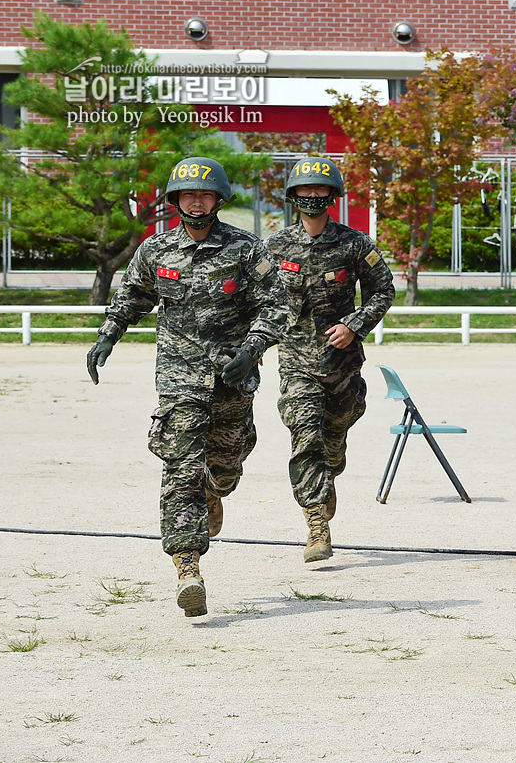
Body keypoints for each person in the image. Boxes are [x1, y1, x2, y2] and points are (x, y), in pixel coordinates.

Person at [86, 156, 286, 618]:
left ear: (218, 199)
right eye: (187, 195)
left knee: (225, 466)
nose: (196, 202)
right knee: (179, 469)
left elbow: (276, 305)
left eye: (205, 195)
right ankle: (187, 567)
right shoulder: (156, 251)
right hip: (179, 380)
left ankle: (216, 489)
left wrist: (252, 347)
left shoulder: (245, 249)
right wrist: (107, 336)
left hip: (231, 377)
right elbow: (131, 297)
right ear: (176, 201)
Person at [264, 156, 395, 563]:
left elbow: (384, 289)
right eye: (306, 190)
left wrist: (355, 324)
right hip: (296, 362)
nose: (313, 197)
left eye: (321, 190)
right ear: (293, 196)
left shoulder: (355, 244)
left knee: (332, 441)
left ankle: (329, 471)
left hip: (341, 364)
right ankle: (317, 523)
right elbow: (256, 300)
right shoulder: (273, 246)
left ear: (332, 196)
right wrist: (254, 344)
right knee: (306, 437)